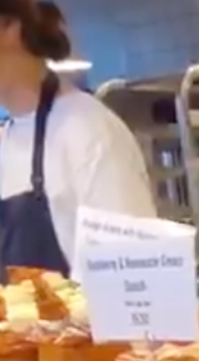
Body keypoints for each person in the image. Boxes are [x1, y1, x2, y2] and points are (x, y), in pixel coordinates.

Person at [0, 0, 155, 274]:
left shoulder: (88, 131)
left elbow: (134, 278)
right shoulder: (5, 140)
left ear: (9, 28)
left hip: (81, 317)